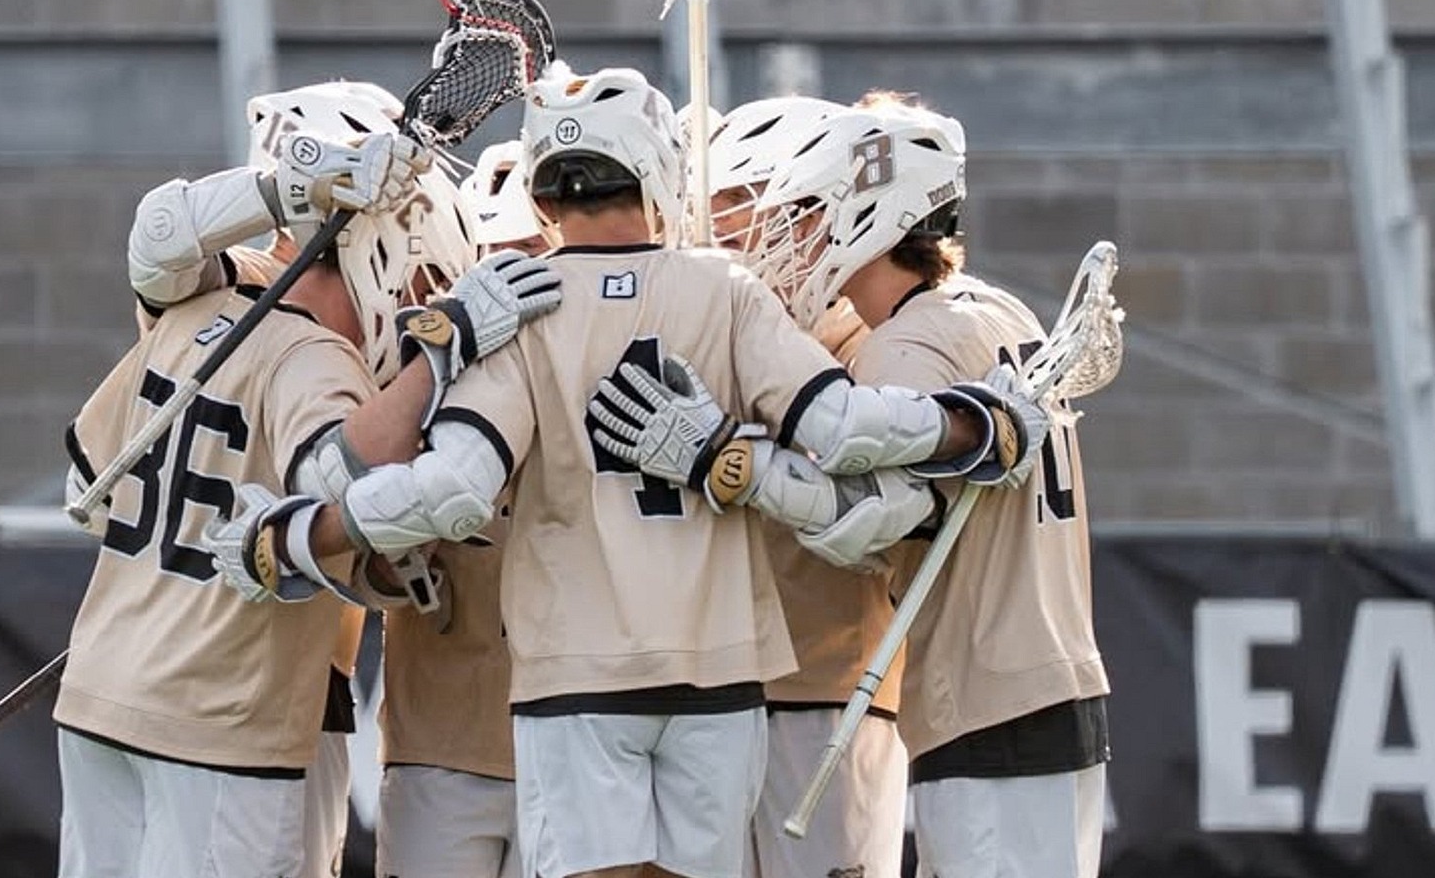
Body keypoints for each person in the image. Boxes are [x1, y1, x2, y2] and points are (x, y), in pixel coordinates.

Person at [202, 63, 1041, 878]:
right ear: (658, 170)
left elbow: (453, 492)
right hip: (719, 669)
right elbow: (843, 425)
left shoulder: (517, 302)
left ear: (541, 191)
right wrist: (980, 423)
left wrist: (298, 535)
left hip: (577, 676)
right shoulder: (728, 290)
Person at [55, 79, 561, 878]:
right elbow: (336, 480)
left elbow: (158, 233)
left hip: (99, 693)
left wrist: (294, 184)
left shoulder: (196, 304)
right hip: (223, 715)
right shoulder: (313, 355)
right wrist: (445, 345)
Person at [679, 90, 1111, 878]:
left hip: (985, 695)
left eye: (813, 209)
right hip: (1059, 680)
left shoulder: (904, 345)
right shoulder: (1000, 310)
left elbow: (873, 526)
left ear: (873, 213)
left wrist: (729, 464)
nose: (796, 231)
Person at [705, 96, 907, 878]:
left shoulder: (869, 343)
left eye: (741, 207)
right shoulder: (714, 325)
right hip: (716, 690)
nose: (723, 230)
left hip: (831, 686)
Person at [364, 141, 548, 878]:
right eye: (501, 252)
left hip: (570, 735)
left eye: (535, 249)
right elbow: (359, 551)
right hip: (438, 733)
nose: (520, 271)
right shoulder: (419, 368)